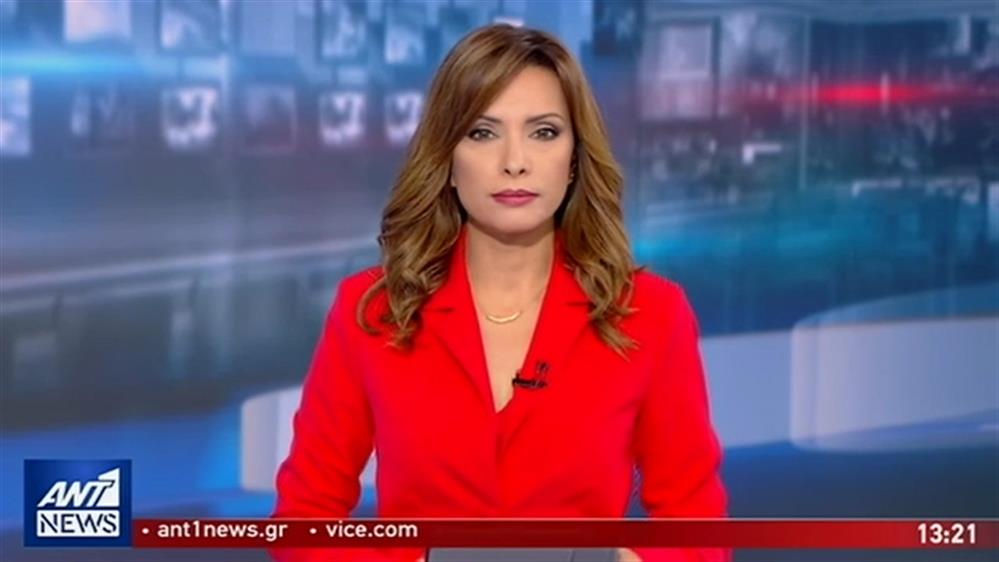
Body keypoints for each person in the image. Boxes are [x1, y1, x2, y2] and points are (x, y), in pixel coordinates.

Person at [271, 24, 730, 562]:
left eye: (544, 132)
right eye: (483, 133)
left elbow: (696, 526)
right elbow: (304, 518)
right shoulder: (372, 311)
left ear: (575, 158)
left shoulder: (650, 313)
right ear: (446, 159)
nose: (515, 161)